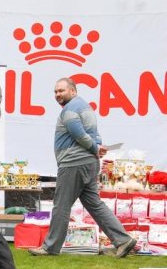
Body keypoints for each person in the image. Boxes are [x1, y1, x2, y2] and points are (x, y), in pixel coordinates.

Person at [29, 77, 136, 258]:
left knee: (61, 206)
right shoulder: (86, 108)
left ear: (73, 91)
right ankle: (123, 240)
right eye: (55, 92)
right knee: (95, 204)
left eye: (61, 90)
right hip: (89, 163)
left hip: (73, 164)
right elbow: (94, 134)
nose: (57, 94)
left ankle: (50, 248)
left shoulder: (70, 110)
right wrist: (97, 147)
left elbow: (78, 134)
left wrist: (95, 148)